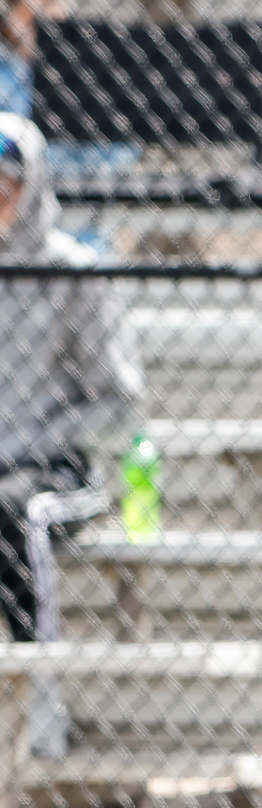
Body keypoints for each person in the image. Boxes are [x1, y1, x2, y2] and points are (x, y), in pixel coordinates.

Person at [0, 113, 143, 644]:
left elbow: (119, 402)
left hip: (57, 468)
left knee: (14, 510)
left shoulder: (74, 271)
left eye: (5, 187)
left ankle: (40, 689)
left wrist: (26, 442)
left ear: (30, 188)